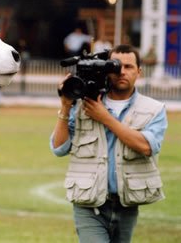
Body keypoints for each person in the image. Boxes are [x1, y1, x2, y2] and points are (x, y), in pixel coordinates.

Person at [49, 44, 168, 243]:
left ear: (139, 71)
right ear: (106, 70)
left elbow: (147, 146)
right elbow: (59, 148)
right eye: (115, 66)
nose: (121, 72)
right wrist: (65, 106)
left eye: (129, 67)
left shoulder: (154, 110)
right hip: (89, 204)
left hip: (127, 204)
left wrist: (105, 118)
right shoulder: (81, 104)